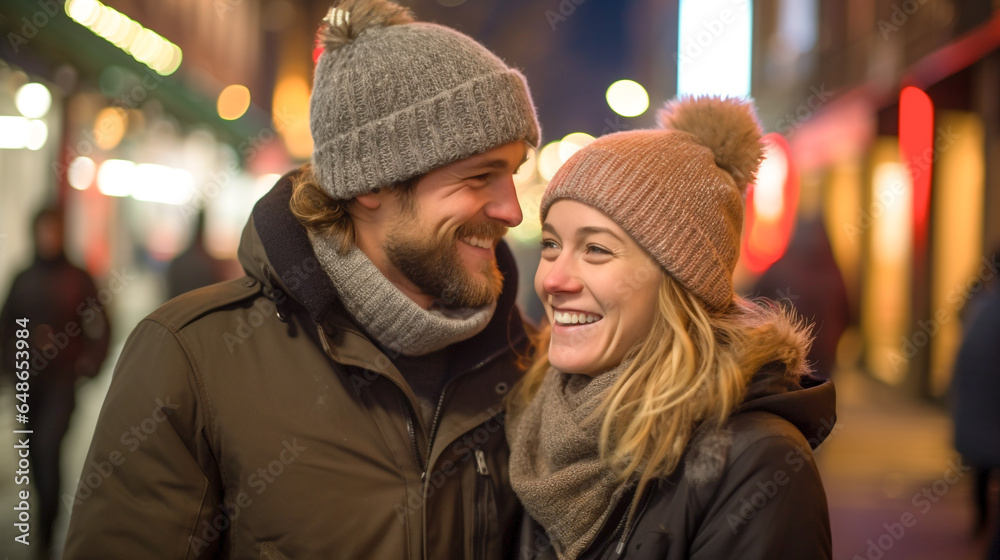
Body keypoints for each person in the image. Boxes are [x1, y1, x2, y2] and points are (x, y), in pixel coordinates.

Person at [62, 0, 539, 557]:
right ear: (372, 181)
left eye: (512, 174)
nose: (513, 210)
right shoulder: (191, 360)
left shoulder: (526, 364)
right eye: (481, 176)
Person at [507, 97, 835, 559]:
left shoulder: (757, 462)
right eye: (551, 244)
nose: (554, 279)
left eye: (596, 249)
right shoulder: (530, 420)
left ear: (680, 278)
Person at [1, 207, 111, 558]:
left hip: (62, 384)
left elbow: (103, 323)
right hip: (27, 384)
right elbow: (6, 328)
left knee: (49, 450)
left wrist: (89, 361)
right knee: (33, 455)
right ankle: (40, 522)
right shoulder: (23, 277)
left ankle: (46, 534)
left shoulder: (78, 277)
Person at [951, 250, 1000, 560]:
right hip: (988, 411)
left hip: (981, 411)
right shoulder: (986, 308)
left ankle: (981, 523)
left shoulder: (981, 306)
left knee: (982, 471)